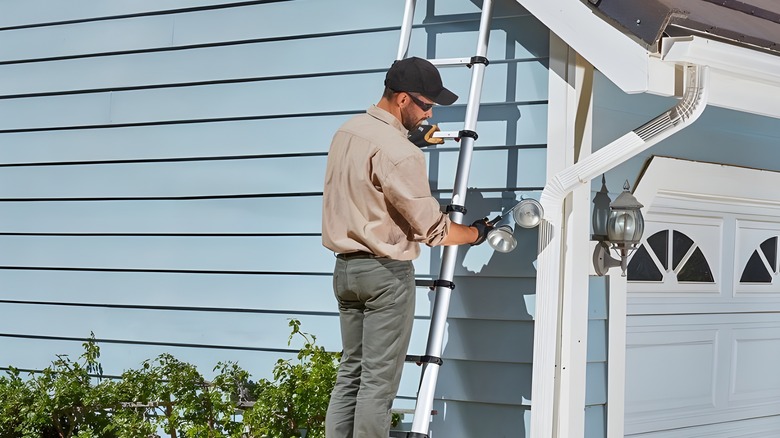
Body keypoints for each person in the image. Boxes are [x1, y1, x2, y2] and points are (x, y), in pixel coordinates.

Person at [321, 56, 492, 438]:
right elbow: (433, 230)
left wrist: (410, 138)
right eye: (426, 105)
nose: (430, 114)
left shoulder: (347, 132)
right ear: (402, 99)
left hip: (346, 271)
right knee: (378, 384)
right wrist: (476, 233)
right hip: (385, 275)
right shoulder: (401, 154)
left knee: (351, 372)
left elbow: (369, 177)